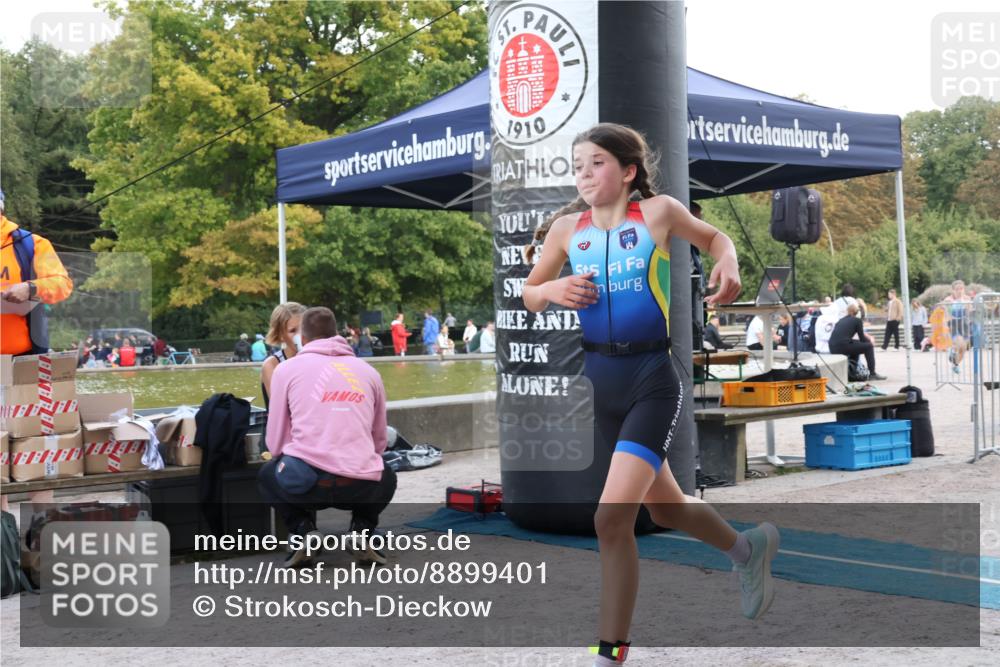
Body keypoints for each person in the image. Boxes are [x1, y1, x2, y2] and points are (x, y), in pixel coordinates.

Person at [520, 123, 779, 666]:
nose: (584, 174)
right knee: (665, 508)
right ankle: (748, 550)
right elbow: (530, 296)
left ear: (628, 170)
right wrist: (551, 288)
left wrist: (727, 259)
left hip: (651, 381)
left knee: (610, 519)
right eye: (577, 166)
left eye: (596, 163)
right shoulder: (568, 229)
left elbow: (715, 238)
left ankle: (609, 654)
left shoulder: (656, 213)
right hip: (601, 384)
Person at [257, 306, 396, 567]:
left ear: (304, 339)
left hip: (306, 484)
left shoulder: (285, 371)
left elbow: (274, 443)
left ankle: (303, 530)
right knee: (386, 473)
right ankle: (362, 530)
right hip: (359, 485)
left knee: (267, 474)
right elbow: (380, 441)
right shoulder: (369, 372)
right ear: (338, 335)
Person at [0, 186, 75, 516]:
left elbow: (62, 283)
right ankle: (4, 540)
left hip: (24, 363)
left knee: (39, 444)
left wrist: (29, 287)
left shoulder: (29, 243)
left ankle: (42, 533)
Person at [262, 302, 306, 408]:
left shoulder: (316, 359)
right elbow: (281, 409)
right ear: (281, 335)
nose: (300, 335)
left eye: (304, 328)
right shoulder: (272, 365)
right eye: (293, 331)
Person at [829, 303, 887, 381]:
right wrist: (870, 342)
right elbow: (862, 338)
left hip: (833, 346)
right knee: (869, 347)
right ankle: (872, 374)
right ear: (856, 312)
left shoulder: (841, 320)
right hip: (843, 345)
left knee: (856, 346)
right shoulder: (857, 320)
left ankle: (853, 373)